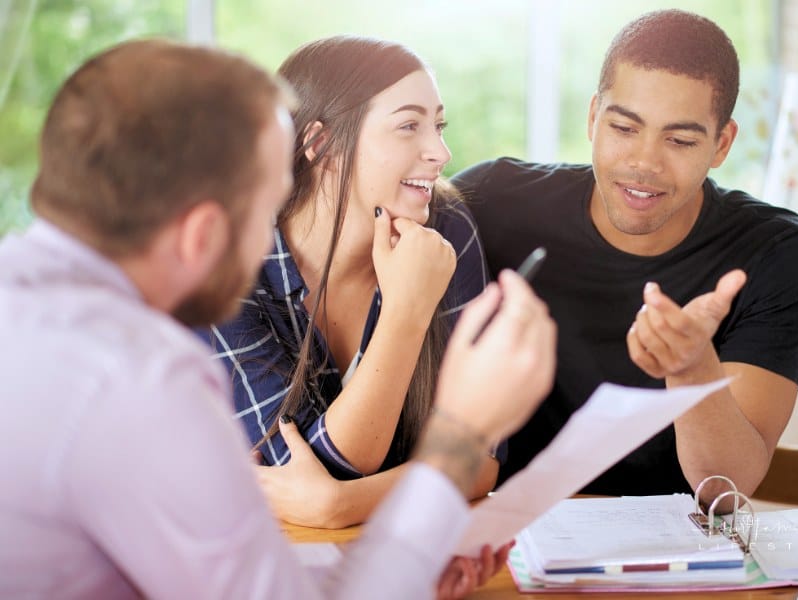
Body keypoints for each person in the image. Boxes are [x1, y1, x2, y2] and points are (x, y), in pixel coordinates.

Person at [0, 39, 556, 599]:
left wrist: (400, 572)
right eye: (269, 202)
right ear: (203, 237)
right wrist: (459, 440)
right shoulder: (143, 376)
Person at [452, 9, 798, 505]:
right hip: (505, 535)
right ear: (592, 117)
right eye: (625, 128)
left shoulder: (776, 251)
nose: (644, 163)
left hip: (672, 554)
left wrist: (692, 366)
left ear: (722, 144)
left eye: (679, 140)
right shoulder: (491, 198)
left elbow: (727, 489)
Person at [198, 35, 499, 528]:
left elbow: (480, 457)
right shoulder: (228, 270)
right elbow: (306, 469)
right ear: (320, 144)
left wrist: (338, 506)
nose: (441, 152)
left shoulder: (444, 227)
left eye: (439, 126)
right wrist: (406, 312)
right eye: (409, 126)